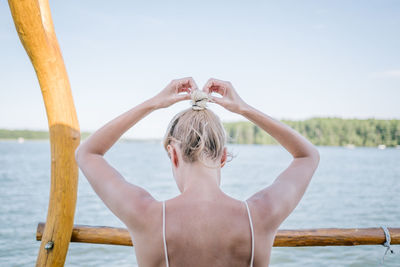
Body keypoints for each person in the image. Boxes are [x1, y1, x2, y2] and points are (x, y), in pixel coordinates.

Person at [75, 77, 320, 267]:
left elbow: (87, 153)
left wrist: (154, 103)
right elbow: (308, 155)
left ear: (173, 154)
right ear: (223, 156)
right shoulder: (260, 214)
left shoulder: (146, 215)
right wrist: (243, 109)